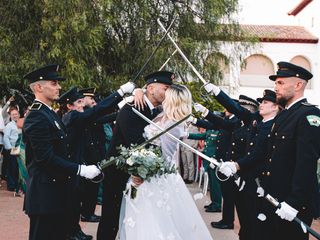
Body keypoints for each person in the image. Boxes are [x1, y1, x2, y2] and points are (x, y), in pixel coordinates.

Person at [119, 84, 213, 240]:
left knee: (155, 220)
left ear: (173, 99)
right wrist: (137, 91)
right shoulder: (161, 115)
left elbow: (163, 156)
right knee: (139, 217)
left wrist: (140, 168)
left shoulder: (174, 123)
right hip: (145, 172)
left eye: (166, 94)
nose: (163, 96)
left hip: (155, 176)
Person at [22, 64, 102, 240]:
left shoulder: (48, 113)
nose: (59, 87)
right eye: (54, 83)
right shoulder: (36, 115)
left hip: (56, 194)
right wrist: (81, 169)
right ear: (38, 87)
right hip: (45, 197)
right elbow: (46, 158)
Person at [97, 71, 173, 240]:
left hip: (140, 175)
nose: (168, 93)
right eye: (165, 88)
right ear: (151, 88)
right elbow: (136, 143)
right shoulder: (131, 108)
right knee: (112, 217)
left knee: (132, 216)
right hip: (119, 173)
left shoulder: (157, 110)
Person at [59, 82, 134, 240]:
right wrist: (119, 92)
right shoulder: (72, 117)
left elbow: (99, 115)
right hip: (72, 165)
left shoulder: (76, 116)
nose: (82, 105)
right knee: (72, 201)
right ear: (69, 106)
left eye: (81, 101)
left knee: (75, 200)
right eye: (78, 102)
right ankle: (70, 233)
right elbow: (96, 112)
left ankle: (74, 231)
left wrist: (122, 107)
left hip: (78, 162)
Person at [255, 62, 320, 240]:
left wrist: (294, 203)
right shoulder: (284, 115)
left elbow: (306, 164)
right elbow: (273, 155)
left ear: (298, 85)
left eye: (281, 83)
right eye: (276, 83)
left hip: (291, 205)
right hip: (275, 198)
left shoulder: (308, 115)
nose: (276, 87)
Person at [188, 128, 222, 212]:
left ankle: (217, 205)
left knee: (215, 184)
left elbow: (220, 146)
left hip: (214, 161)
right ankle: (213, 202)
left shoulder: (220, 131)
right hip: (208, 161)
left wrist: (215, 158)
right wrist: (187, 135)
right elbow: (201, 136)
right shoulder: (210, 130)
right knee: (212, 183)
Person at [3, 107, 20, 195]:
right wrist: (9, 148)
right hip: (12, 148)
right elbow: (5, 137)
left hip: (20, 149)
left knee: (18, 167)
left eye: (16, 114)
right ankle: (11, 186)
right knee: (12, 167)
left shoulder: (21, 123)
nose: (15, 116)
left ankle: (18, 184)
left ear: (19, 114)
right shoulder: (9, 125)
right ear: (10, 116)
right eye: (13, 114)